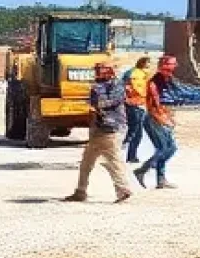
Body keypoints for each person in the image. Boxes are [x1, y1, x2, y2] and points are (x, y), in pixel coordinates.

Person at [65, 61, 132, 204]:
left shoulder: (116, 85)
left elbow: (114, 100)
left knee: (114, 161)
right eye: (97, 70)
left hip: (112, 128)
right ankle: (80, 192)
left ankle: (123, 190)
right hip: (98, 130)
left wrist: (96, 106)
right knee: (86, 163)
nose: (98, 72)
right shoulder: (96, 86)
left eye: (101, 70)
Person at [135, 54, 180, 191]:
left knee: (170, 148)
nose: (174, 67)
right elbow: (155, 105)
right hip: (154, 119)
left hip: (163, 118)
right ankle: (142, 170)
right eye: (171, 65)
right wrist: (164, 119)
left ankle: (160, 179)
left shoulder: (168, 80)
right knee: (164, 148)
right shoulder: (154, 83)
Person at [122, 57, 151, 164]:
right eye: (148, 62)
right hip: (135, 105)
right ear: (143, 63)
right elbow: (138, 90)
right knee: (135, 132)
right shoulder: (136, 74)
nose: (149, 65)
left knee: (135, 131)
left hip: (137, 105)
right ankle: (126, 150)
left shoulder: (138, 73)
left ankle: (131, 155)